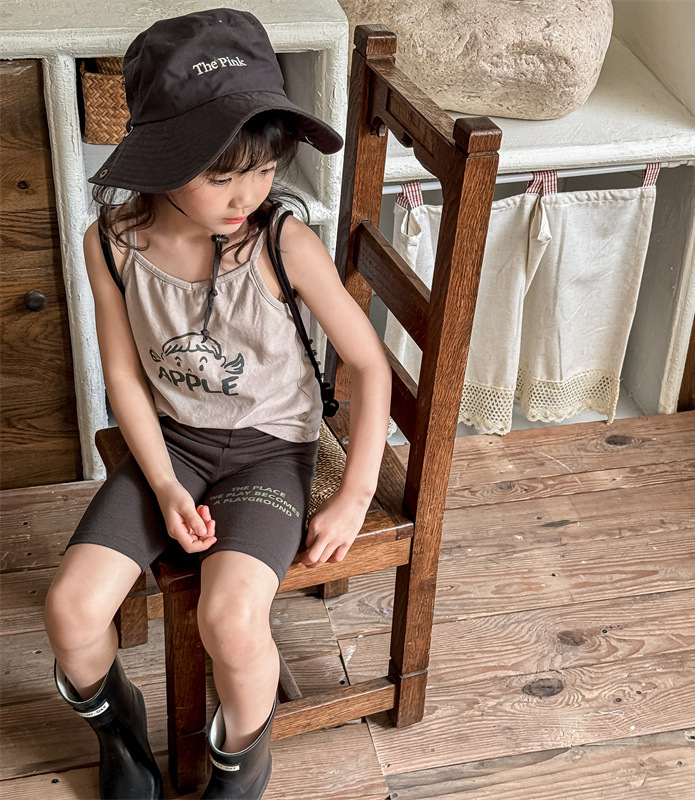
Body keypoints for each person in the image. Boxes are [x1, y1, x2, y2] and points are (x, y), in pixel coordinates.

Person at [42, 8, 391, 799]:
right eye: (222, 176)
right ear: (163, 160)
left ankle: (241, 765)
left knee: (229, 621)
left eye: (264, 170)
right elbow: (125, 378)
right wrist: (165, 485)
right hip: (173, 444)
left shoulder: (280, 241)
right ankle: (119, 731)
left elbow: (369, 366)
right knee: (70, 610)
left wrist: (354, 496)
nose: (248, 195)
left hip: (270, 451)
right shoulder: (111, 243)